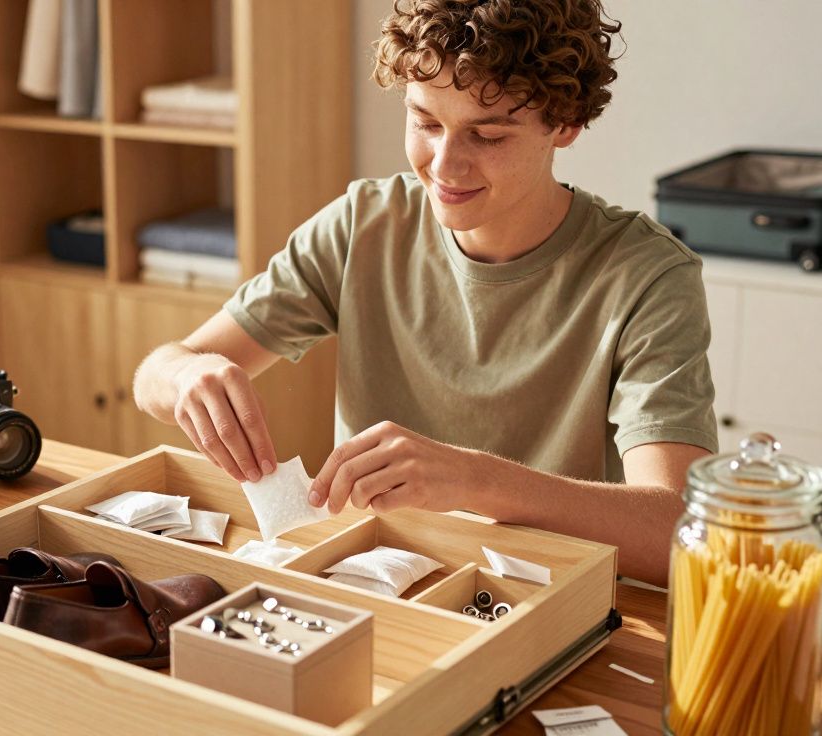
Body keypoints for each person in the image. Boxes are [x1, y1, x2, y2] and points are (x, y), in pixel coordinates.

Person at [132, 0, 716, 586]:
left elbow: (682, 531)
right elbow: (154, 375)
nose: (444, 165)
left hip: (550, 605)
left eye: (487, 135)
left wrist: (477, 481)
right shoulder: (364, 225)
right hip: (373, 587)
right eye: (426, 123)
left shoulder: (646, 276)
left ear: (565, 123)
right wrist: (189, 377)